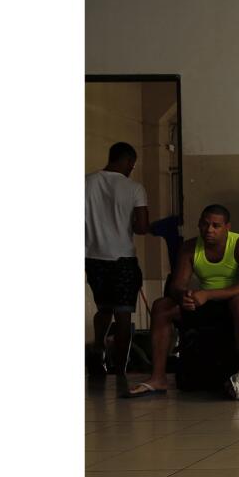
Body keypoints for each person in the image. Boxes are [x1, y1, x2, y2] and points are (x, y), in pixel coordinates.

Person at [126, 205, 239, 397]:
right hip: (206, 303)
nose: (209, 230)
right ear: (198, 224)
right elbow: (176, 285)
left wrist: (207, 295)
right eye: (205, 224)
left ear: (227, 227)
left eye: (216, 226)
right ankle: (158, 378)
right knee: (162, 306)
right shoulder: (189, 247)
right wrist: (184, 296)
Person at [86, 142, 150, 382]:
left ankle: (98, 348)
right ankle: (121, 370)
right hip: (123, 259)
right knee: (123, 315)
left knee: (103, 308)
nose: (131, 168)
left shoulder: (85, 182)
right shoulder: (134, 188)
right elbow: (142, 227)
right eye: (131, 164)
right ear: (127, 161)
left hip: (93, 257)